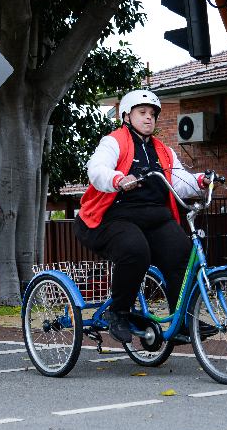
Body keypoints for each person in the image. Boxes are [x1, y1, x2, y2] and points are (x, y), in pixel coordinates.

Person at [74, 89, 210, 344]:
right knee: (134, 250)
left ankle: (182, 319)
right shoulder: (114, 142)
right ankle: (119, 313)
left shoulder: (164, 151)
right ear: (127, 116)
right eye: (142, 112)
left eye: (153, 114)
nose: (149, 118)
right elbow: (97, 169)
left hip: (154, 218)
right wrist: (118, 179)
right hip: (110, 218)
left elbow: (179, 182)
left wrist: (201, 180)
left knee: (181, 252)